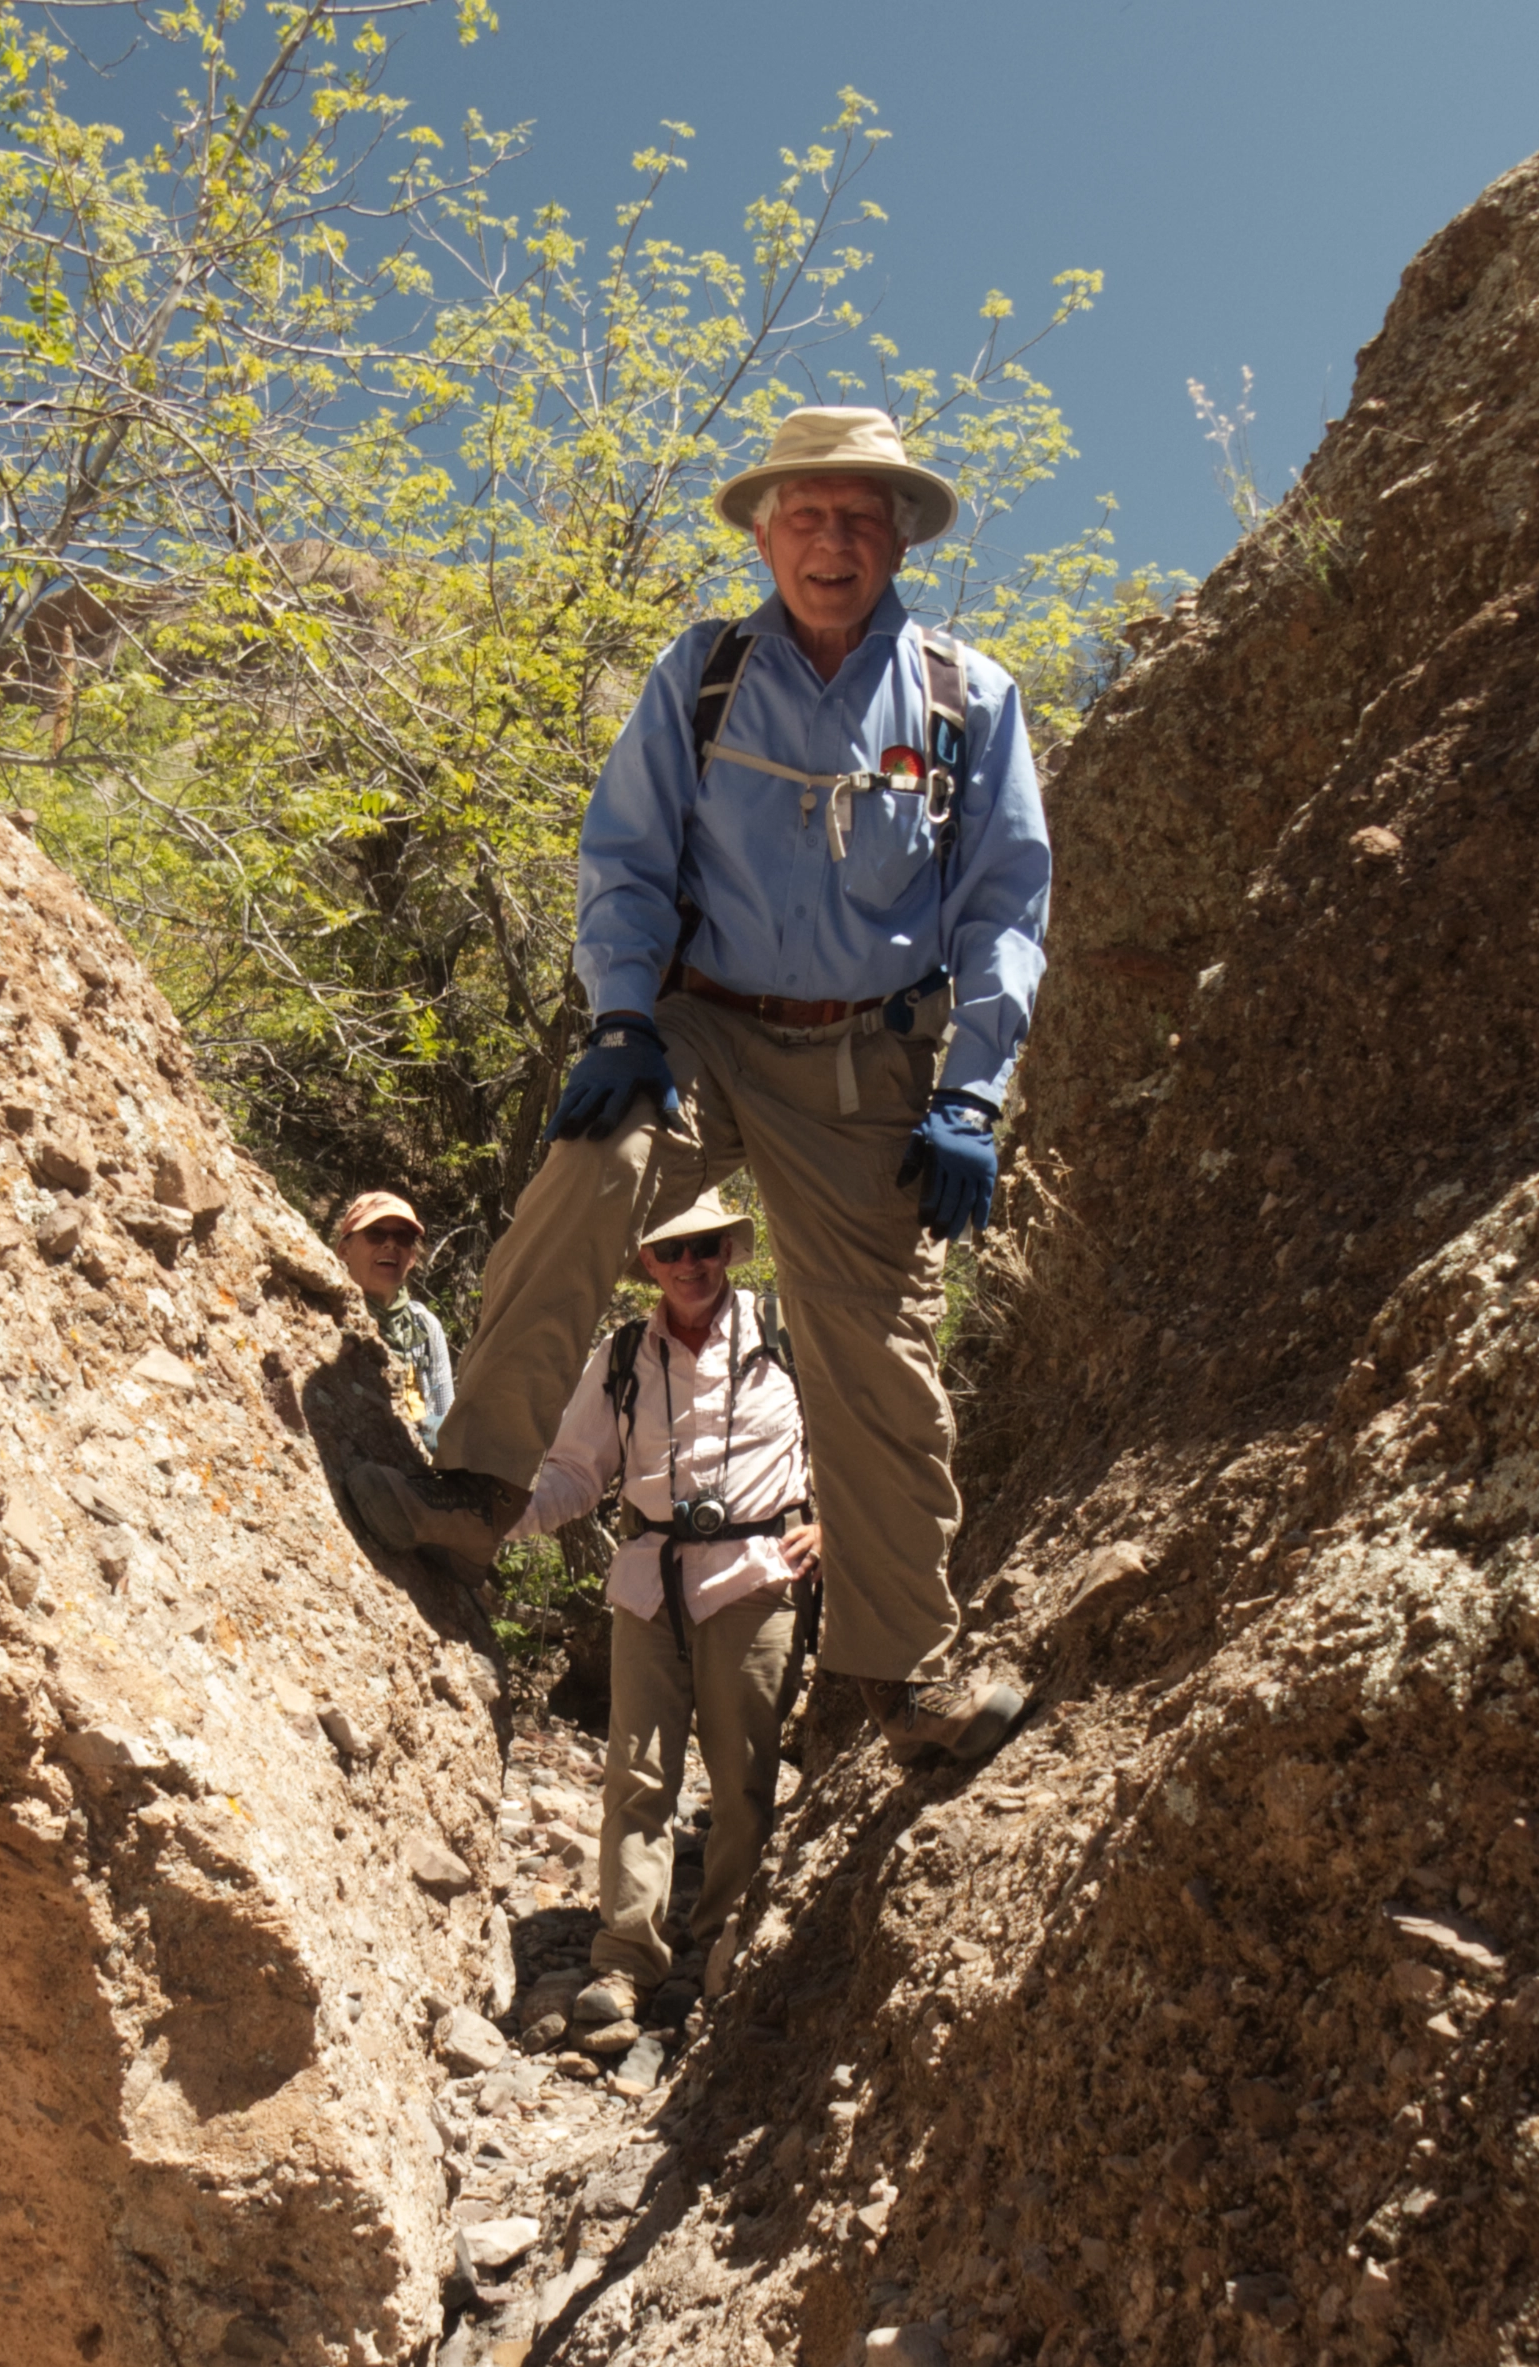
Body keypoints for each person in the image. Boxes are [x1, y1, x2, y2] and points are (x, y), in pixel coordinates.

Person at [345, 406, 1050, 1770]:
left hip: (866, 1062)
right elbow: (624, 853)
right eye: (804, 515)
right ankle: (477, 1488)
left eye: (858, 516)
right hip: (702, 1025)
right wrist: (619, 1020)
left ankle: (903, 1685)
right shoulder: (704, 673)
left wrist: (971, 1093)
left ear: (900, 533)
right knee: (588, 1173)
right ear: (765, 532)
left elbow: (1006, 913)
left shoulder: (971, 700)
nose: (830, 541)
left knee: (878, 1359)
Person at [505, 1191, 820, 2030]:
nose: (692, 1264)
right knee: (636, 1779)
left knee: (742, 1779)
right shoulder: (619, 1358)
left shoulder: (787, 1332)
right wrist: (494, 1519)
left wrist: (832, 1523)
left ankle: (723, 1947)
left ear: (729, 1250)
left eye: (707, 1246)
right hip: (649, 1583)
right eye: (673, 1250)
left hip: (757, 1577)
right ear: (648, 1261)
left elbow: (855, 1436)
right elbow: (575, 1474)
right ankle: (627, 1960)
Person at [335, 1191, 454, 1456]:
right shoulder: (329, 1317)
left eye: (402, 1237)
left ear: (412, 1257)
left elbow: (447, 1417)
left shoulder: (425, 1326)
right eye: (375, 1233)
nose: (390, 1245)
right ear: (344, 1250)